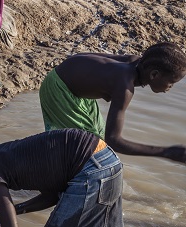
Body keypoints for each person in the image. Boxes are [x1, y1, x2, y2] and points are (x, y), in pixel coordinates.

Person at [40, 42, 186, 163]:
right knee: (86, 147)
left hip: (76, 86)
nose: (170, 87)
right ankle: (51, 181)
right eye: (171, 82)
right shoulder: (124, 88)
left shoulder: (136, 63)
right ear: (154, 74)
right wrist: (166, 152)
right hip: (60, 88)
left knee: (97, 140)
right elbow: (114, 140)